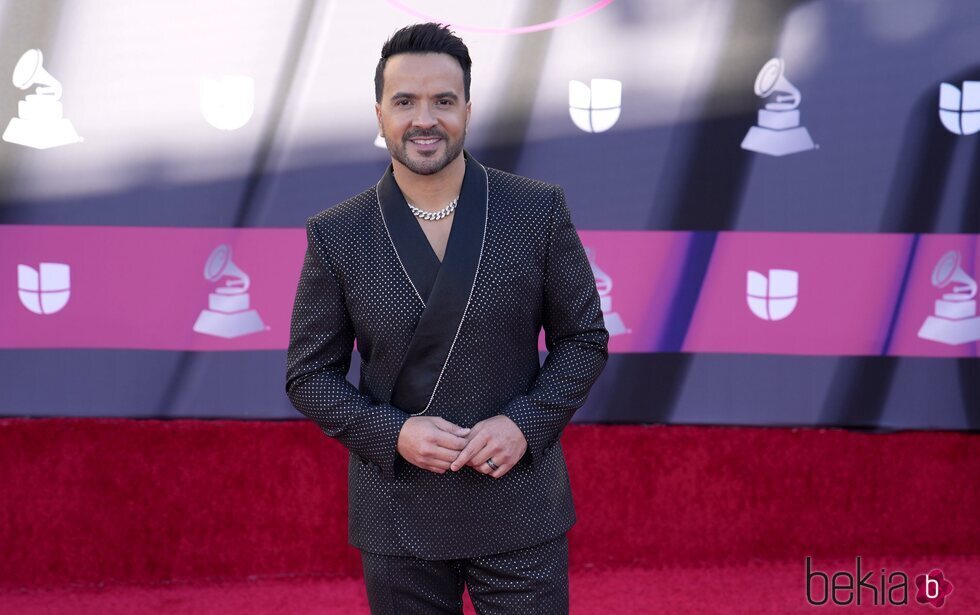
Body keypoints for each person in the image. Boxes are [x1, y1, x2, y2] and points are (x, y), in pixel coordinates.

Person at [286, 22, 608, 615]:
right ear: (379, 113)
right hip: (399, 513)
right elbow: (308, 376)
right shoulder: (336, 234)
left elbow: (584, 339)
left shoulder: (536, 211)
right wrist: (393, 433)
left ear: (468, 110)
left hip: (518, 504)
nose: (424, 119)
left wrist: (525, 423)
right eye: (405, 101)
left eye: (443, 101)